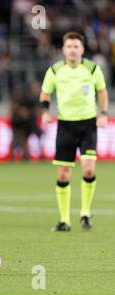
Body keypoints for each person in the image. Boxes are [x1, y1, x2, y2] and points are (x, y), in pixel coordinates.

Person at [40, 32, 109, 232]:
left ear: (82, 50)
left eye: (76, 46)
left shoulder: (92, 69)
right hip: (65, 125)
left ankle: (85, 213)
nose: (72, 49)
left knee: (88, 169)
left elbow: (102, 91)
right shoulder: (55, 70)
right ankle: (64, 220)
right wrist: (45, 111)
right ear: (63, 49)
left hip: (87, 124)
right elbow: (45, 92)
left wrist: (103, 113)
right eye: (69, 46)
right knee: (63, 174)